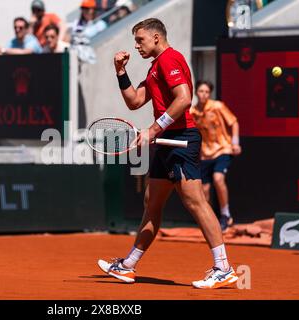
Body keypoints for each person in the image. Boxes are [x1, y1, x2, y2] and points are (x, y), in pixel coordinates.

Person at [97, 18, 239, 289]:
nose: (136, 46)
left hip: (181, 138)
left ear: (156, 38)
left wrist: (152, 129)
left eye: (140, 40)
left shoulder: (169, 60)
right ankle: (127, 266)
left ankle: (223, 267)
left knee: (195, 201)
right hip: (167, 140)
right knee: (152, 202)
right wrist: (120, 71)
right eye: (135, 41)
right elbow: (135, 101)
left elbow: (184, 98)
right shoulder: (154, 68)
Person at [190, 80, 242, 231]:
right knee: (204, 190)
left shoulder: (218, 106)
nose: (204, 94)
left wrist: (235, 143)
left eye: (206, 92)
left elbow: (234, 122)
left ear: (209, 94)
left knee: (218, 178)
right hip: (205, 155)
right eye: (201, 91)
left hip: (222, 149)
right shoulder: (193, 112)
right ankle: (211, 221)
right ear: (196, 93)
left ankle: (226, 215)